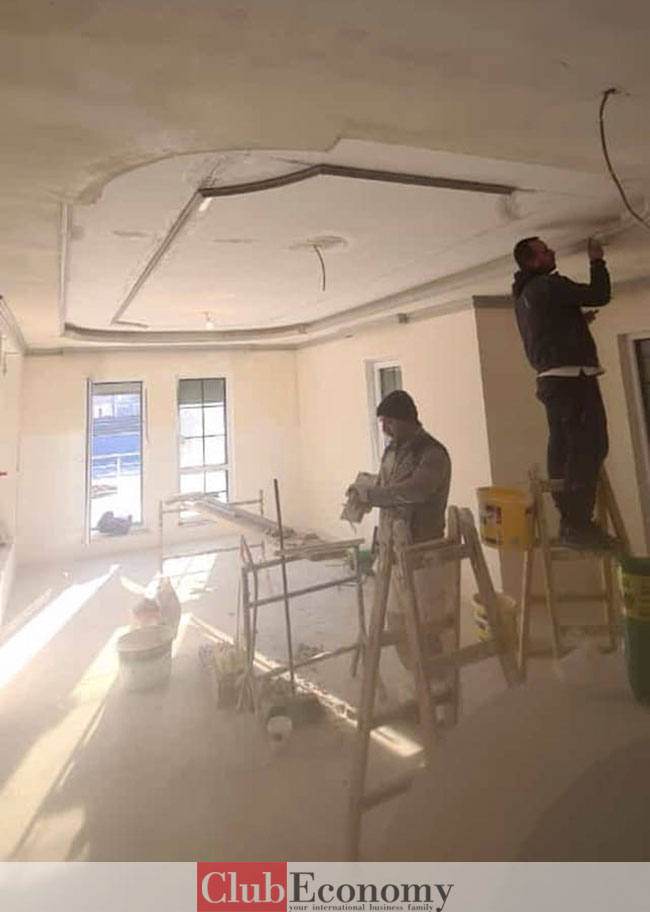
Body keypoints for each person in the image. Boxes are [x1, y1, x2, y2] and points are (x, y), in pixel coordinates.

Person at [346, 390, 453, 686]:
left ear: (407, 420)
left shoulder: (432, 454)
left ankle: (439, 685)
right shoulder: (392, 451)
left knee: (426, 624)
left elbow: (414, 491)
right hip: (392, 550)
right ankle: (416, 680)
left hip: (422, 551)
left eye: (389, 422)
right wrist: (362, 489)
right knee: (398, 622)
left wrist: (372, 495)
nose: (384, 429)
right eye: (382, 422)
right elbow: (386, 485)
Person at [512, 235, 613, 549]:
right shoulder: (547, 285)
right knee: (589, 444)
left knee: (566, 446)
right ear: (532, 261)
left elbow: (546, 329)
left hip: (556, 380)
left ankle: (573, 520)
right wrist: (596, 260)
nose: (552, 251)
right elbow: (600, 294)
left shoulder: (525, 294)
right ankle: (576, 522)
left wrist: (576, 321)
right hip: (570, 379)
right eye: (545, 251)